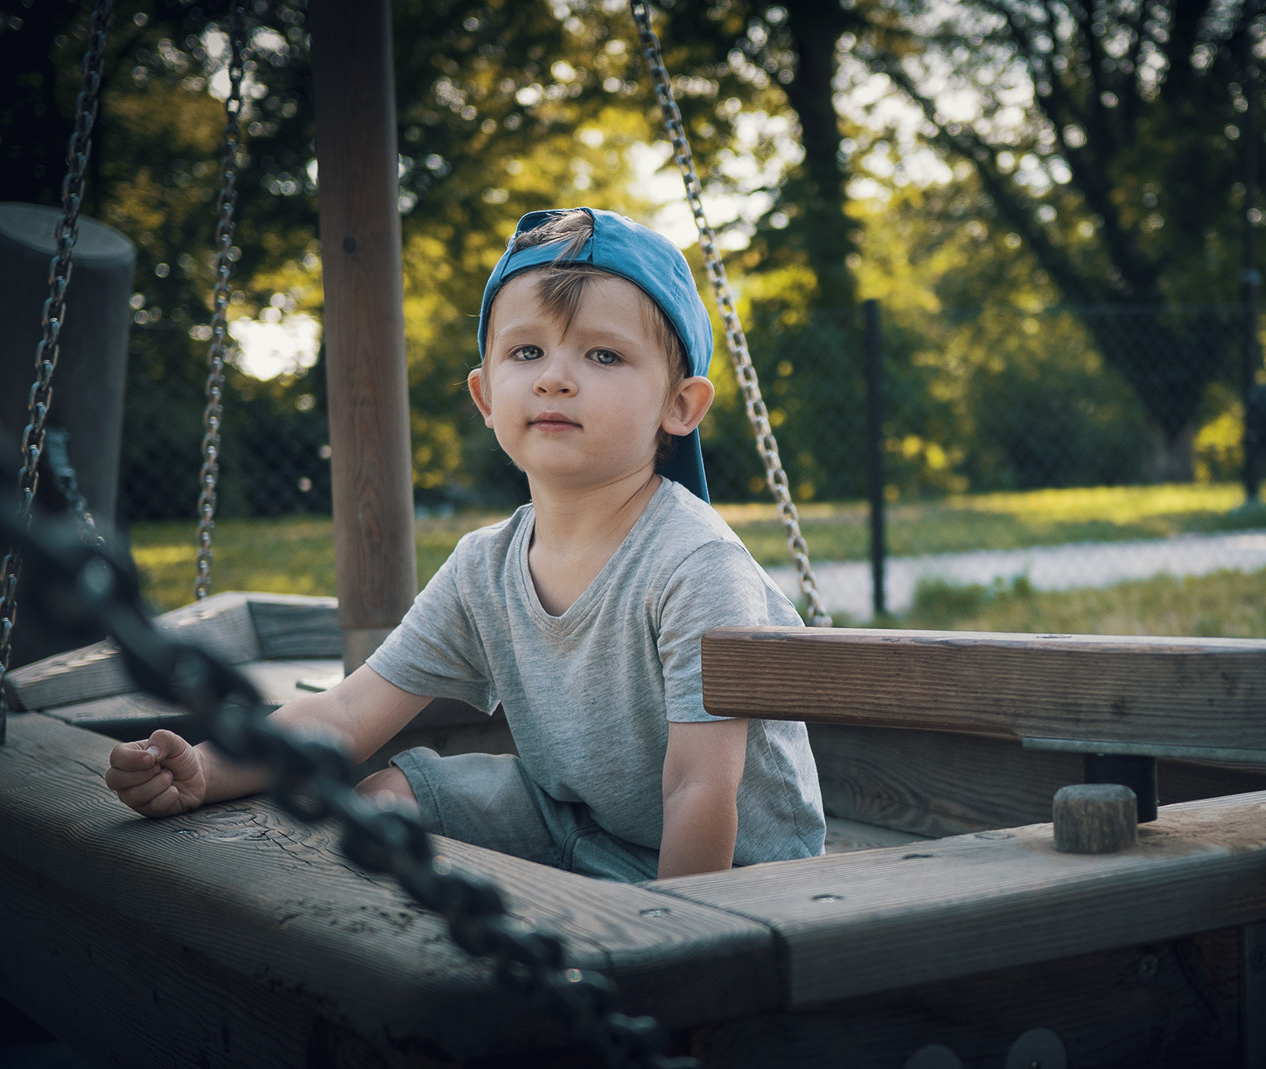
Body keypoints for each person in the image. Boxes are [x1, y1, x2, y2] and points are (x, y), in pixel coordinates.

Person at [105, 208, 826, 881]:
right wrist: (203, 767)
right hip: (577, 817)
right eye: (528, 350)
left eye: (603, 355)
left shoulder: (694, 562)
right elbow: (346, 713)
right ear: (486, 397)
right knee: (391, 793)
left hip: (738, 869)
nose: (554, 377)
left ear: (679, 406)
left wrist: (677, 945)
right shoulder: (486, 565)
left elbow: (699, 784)